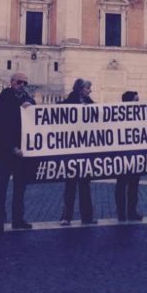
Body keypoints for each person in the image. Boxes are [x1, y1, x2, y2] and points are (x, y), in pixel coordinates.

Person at [0, 71, 33, 233]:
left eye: (25, 83)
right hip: (5, 151)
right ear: (11, 82)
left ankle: (18, 219)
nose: (22, 85)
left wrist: (30, 105)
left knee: (20, 188)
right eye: (19, 82)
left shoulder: (27, 99)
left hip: (21, 152)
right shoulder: (4, 98)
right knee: (1, 187)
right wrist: (11, 148)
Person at [59, 79, 97, 226]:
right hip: (71, 150)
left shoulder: (91, 104)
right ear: (80, 88)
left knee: (85, 186)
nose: (90, 90)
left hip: (85, 150)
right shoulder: (68, 102)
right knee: (70, 186)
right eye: (88, 88)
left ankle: (87, 216)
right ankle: (66, 216)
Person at [114, 91, 143, 222]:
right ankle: (122, 213)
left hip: (135, 156)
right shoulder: (118, 117)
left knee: (133, 186)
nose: (138, 103)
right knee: (122, 185)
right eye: (135, 100)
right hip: (123, 157)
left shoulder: (140, 117)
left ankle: (131, 212)